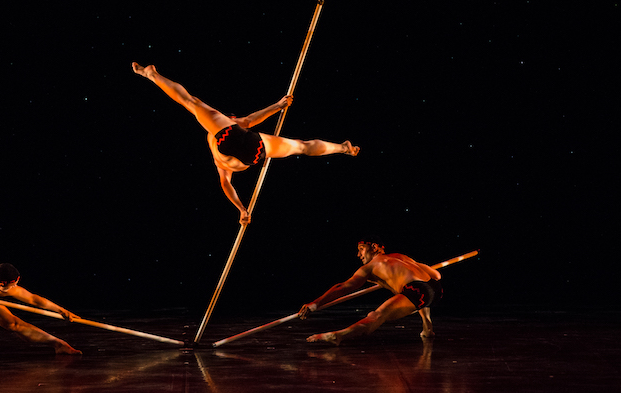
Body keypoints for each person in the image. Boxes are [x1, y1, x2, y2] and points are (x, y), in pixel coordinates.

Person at [132, 62, 359, 224]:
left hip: (241, 149)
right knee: (302, 146)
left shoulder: (218, 155)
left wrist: (241, 209)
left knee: (191, 103)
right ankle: (343, 148)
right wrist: (277, 106)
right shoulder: (231, 127)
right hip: (255, 148)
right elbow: (249, 120)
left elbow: (226, 185)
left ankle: (152, 75)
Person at [298, 236, 442, 345]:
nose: (358, 255)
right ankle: (427, 327)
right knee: (415, 292)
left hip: (416, 291)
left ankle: (338, 336)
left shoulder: (369, 267)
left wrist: (315, 304)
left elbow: (342, 287)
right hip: (435, 290)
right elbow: (436, 275)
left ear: (374, 247)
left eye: (361, 249)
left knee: (376, 315)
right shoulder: (400, 256)